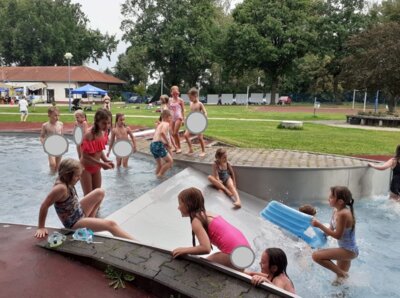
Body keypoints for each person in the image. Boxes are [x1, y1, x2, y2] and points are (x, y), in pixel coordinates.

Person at [34, 158, 134, 240]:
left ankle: (90, 222)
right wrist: (41, 227)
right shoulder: (60, 188)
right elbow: (44, 205)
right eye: (77, 176)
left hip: (78, 212)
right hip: (74, 223)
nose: (79, 178)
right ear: (67, 174)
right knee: (111, 224)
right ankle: (140, 245)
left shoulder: (65, 180)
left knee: (100, 192)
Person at [172, 187, 250, 270]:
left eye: (180, 204)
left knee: (203, 265)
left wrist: (183, 250)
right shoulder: (208, 214)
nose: (178, 207)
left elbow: (205, 248)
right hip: (246, 251)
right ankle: (247, 273)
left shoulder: (197, 221)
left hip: (235, 254)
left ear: (188, 205)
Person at [311, 186, 358, 285]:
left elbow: (338, 236)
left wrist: (319, 225)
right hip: (344, 249)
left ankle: (343, 274)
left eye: (331, 197)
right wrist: (318, 238)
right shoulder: (336, 211)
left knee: (316, 256)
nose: (328, 199)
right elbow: (331, 229)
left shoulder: (343, 214)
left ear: (340, 201)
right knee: (339, 283)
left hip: (349, 251)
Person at [80, 108, 114, 196]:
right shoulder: (89, 134)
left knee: (97, 196)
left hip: (96, 168)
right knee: (88, 196)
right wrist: (102, 164)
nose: (106, 126)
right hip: (85, 169)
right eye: (103, 123)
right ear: (96, 121)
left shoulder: (104, 133)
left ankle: (96, 210)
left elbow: (98, 149)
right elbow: (85, 156)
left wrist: (105, 160)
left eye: (108, 123)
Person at [184, 87, 208, 157]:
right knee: (185, 135)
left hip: (198, 122)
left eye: (190, 97)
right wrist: (186, 118)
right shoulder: (191, 104)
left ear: (195, 96)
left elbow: (205, 112)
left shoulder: (200, 104)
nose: (190, 99)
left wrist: (205, 117)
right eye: (189, 98)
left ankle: (203, 151)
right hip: (191, 122)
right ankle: (191, 149)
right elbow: (191, 112)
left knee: (200, 138)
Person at [150, 110, 173, 178]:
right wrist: (168, 143)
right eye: (170, 117)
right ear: (166, 117)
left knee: (159, 165)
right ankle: (160, 176)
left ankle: (156, 177)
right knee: (170, 161)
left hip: (152, 145)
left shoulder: (160, 124)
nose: (171, 119)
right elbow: (162, 133)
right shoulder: (166, 124)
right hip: (158, 144)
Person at [40, 107, 64, 172]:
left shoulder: (60, 124)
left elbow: (62, 135)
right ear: (49, 115)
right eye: (55, 115)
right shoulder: (45, 125)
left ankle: (55, 177)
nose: (57, 117)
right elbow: (42, 136)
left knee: (58, 166)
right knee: (52, 164)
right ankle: (50, 176)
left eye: (58, 115)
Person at [169, 86, 185, 154]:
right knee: (172, 133)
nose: (176, 94)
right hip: (172, 118)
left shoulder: (181, 100)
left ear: (178, 92)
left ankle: (179, 148)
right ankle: (176, 147)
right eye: (174, 93)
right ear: (172, 93)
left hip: (179, 117)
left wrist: (183, 119)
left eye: (177, 93)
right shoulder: (170, 100)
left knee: (175, 133)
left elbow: (183, 110)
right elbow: (169, 109)